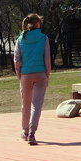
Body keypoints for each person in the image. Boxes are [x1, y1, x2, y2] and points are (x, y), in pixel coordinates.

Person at [14, 13, 51, 145]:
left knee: (25, 104)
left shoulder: (20, 39)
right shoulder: (43, 38)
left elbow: (16, 59)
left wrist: (19, 74)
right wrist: (47, 73)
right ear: (38, 24)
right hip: (40, 73)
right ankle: (32, 132)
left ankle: (25, 131)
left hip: (25, 74)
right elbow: (47, 57)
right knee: (37, 104)